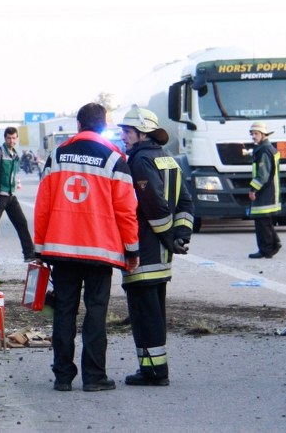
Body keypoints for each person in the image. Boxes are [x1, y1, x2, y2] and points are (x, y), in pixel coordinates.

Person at [33, 103, 139, 392]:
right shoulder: (115, 159)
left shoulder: (56, 157)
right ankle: (94, 377)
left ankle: (63, 377)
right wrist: (132, 250)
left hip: (61, 249)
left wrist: (40, 249)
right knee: (96, 312)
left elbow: (42, 206)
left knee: (64, 311)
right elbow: (126, 211)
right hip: (100, 252)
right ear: (103, 125)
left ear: (78, 125)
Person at [118, 106, 194, 387]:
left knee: (144, 315)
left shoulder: (139, 161)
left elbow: (154, 207)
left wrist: (167, 237)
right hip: (161, 257)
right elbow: (185, 201)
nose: (123, 136)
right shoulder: (168, 159)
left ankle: (153, 371)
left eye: (127, 131)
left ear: (141, 133)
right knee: (154, 313)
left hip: (145, 253)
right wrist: (181, 235)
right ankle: (153, 368)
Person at [0, 127, 35, 265]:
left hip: (10, 196)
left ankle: (29, 254)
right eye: (9, 138)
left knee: (22, 223)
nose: (11, 141)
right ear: (5, 138)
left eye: (14, 138)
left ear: (16, 139)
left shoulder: (15, 154)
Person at [246, 121, 282, 258]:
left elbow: (263, 174)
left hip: (264, 191)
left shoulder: (264, 150)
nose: (253, 137)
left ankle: (266, 250)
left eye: (256, 134)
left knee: (262, 221)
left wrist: (253, 189)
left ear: (263, 134)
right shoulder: (269, 148)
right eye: (252, 134)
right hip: (270, 190)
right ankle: (274, 244)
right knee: (265, 221)